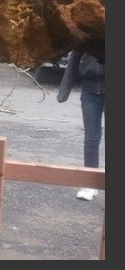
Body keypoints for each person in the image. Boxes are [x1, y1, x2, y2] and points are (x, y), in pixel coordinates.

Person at [56, 49, 105, 201]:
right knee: (91, 138)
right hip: (89, 90)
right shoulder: (88, 29)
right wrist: (64, 92)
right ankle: (89, 184)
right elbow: (75, 56)